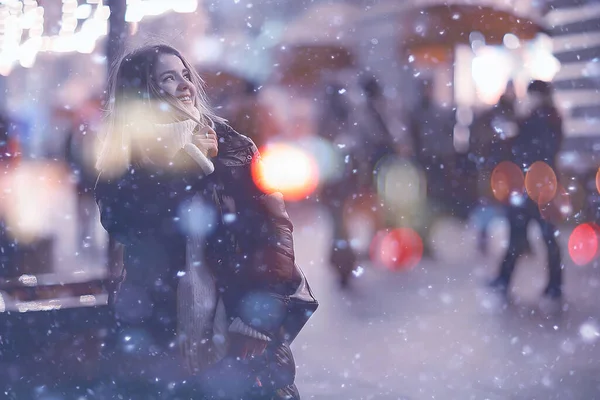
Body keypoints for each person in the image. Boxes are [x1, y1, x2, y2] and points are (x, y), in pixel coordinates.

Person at [95, 43, 317, 399]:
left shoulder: (234, 147)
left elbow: (273, 235)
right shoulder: (125, 161)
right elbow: (125, 223)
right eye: (168, 78)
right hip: (161, 330)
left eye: (185, 75)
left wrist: (257, 321)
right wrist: (179, 164)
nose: (185, 85)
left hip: (237, 324)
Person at [488, 80, 564, 299]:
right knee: (535, 236)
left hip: (535, 187)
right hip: (540, 185)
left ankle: (508, 280)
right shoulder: (547, 117)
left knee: (529, 235)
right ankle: (551, 285)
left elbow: (532, 149)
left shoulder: (542, 118)